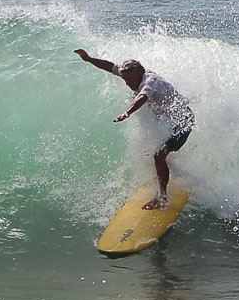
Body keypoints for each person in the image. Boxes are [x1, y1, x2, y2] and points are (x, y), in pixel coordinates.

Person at [74, 49, 194, 209]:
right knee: (159, 153)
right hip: (171, 120)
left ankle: (162, 198)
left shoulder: (150, 81)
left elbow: (142, 97)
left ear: (138, 74)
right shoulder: (135, 75)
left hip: (183, 121)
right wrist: (88, 59)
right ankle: (167, 175)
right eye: (125, 79)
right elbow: (110, 67)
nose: (128, 83)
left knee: (159, 156)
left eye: (129, 79)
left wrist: (127, 112)